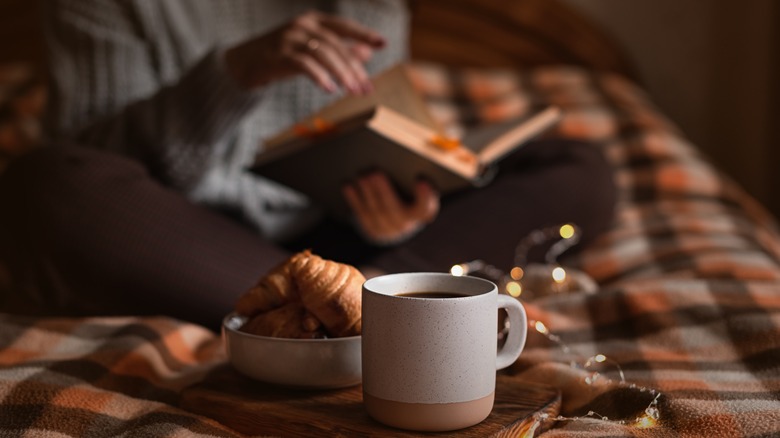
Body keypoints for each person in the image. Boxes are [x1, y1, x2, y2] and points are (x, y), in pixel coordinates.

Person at [0, 0, 616, 331]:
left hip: (331, 244)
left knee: (575, 163)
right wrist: (233, 76)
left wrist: (395, 208)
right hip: (181, 239)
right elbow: (95, 163)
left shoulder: (373, 4)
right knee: (43, 185)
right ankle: (375, 310)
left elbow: (365, 137)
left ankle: (356, 308)